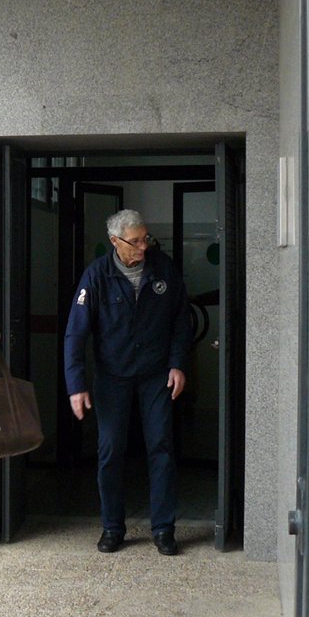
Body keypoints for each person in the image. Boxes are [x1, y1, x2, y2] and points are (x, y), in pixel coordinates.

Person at [63, 209, 190, 556]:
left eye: (145, 239)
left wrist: (178, 364)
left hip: (156, 375)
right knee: (110, 451)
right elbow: (76, 333)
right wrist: (76, 385)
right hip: (112, 376)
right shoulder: (97, 276)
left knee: (161, 448)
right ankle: (112, 527)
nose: (143, 247)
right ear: (114, 241)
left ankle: (163, 528)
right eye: (134, 241)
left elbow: (181, 320)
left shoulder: (163, 269)